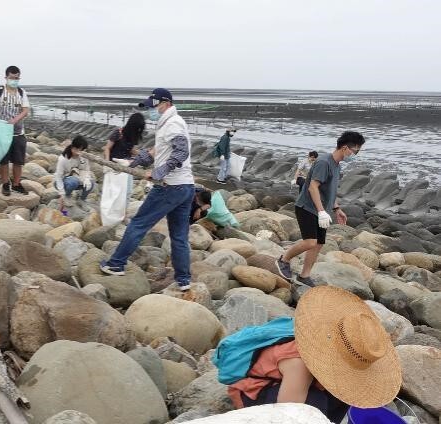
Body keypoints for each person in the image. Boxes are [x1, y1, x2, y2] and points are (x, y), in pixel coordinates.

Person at [227, 286, 401, 423]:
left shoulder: (322, 332)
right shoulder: (299, 364)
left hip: (288, 384)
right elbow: (286, 413)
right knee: (316, 404)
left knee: (349, 396)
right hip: (253, 391)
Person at [100, 88, 195, 291]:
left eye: (154, 105)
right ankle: (184, 280)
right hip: (186, 186)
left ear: (165, 103)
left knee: (138, 224)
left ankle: (116, 264)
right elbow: (156, 151)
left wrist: (159, 172)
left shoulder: (173, 124)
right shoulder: (170, 123)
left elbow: (182, 152)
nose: (152, 110)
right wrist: (132, 163)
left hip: (169, 186)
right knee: (179, 236)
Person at [276, 131, 365, 287]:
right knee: (310, 242)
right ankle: (283, 260)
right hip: (307, 207)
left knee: (318, 244)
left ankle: (304, 275)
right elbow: (312, 187)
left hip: (321, 211)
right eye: (355, 151)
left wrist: (336, 208)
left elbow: (328, 190)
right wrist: (322, 211)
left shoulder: (336, 165)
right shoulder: (324, 162)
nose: (355, 154)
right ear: (345, 148)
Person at [0, 65, 31, 196]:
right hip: (1, 131)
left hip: (18, 132)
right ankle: (5, 183)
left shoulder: (22, 92)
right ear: (6, 77)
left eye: (17, 78)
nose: (14, 80)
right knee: (4, 160)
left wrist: (15, 120)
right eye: (12, 78)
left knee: (18, 160)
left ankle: (16, 184)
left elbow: (25, 110)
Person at [54, 136, 95, 211]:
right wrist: (62, 193)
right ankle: (67, 195)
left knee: (91, 182)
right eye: (77, 149)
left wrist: (86, 179)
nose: (78, 152)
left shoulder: (83, 156)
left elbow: (86, 170)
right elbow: (58, 177)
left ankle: (82, 200)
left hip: (76, 177)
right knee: (73, 181)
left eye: (81, 150)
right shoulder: (63, 159)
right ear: (72, 147)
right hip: (63, 182)